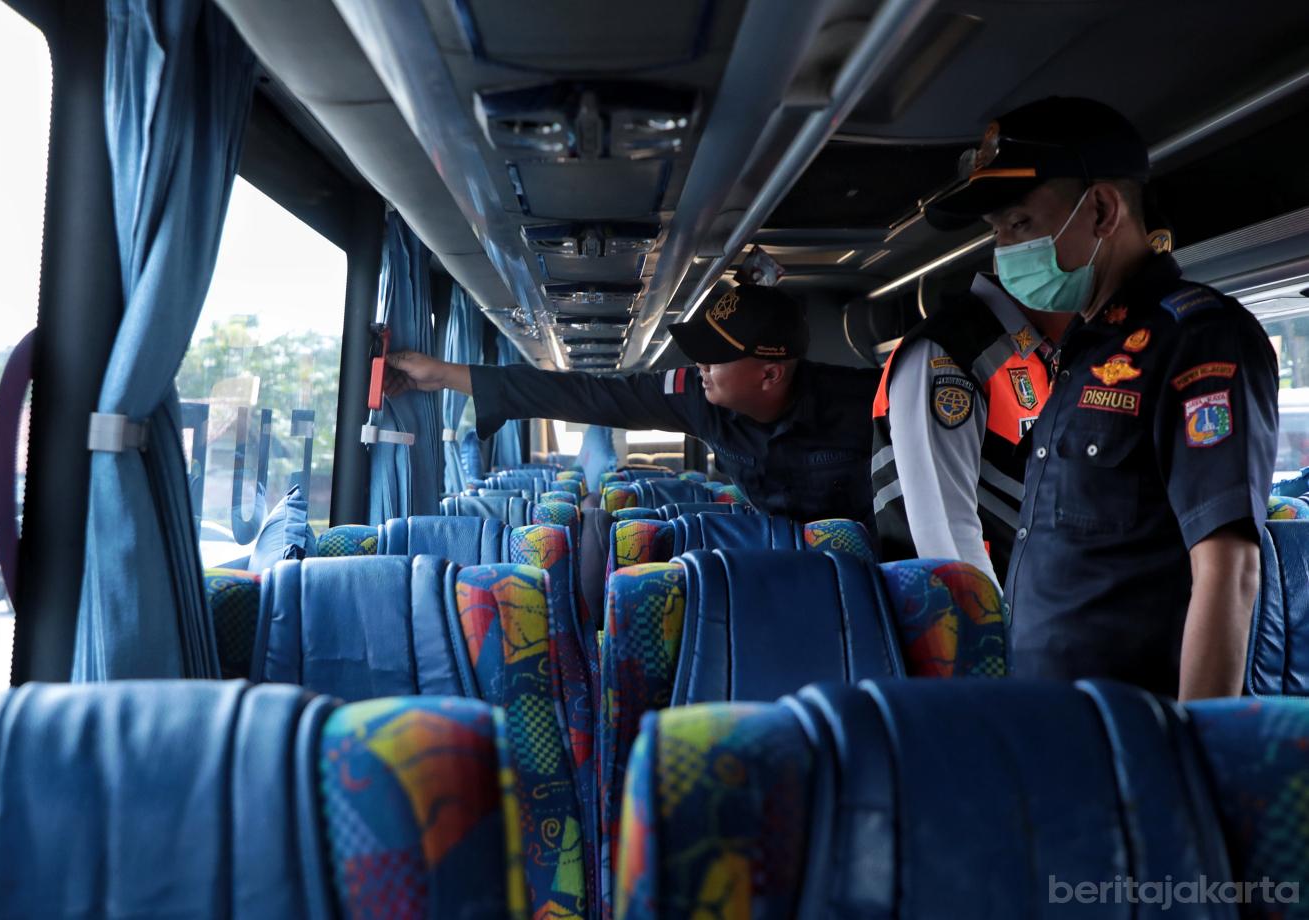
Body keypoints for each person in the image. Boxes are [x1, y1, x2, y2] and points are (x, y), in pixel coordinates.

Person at [926, 96, 1277, 700]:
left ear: (1102, 209)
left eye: (1021, 225)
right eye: (998, 233)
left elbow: (1228, 568)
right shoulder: (1082, 348)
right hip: (1051, 720)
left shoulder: (1196, 338)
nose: (1005, 251)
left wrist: (1193, 754)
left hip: (1137, 735)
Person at [384, 284, 881, 524]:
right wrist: (446, 375)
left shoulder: (871, 402)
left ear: (770, 373)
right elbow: (589, 396)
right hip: (773, 554)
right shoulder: (696, 395)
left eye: (714, 357)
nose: (698, 365)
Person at [872, 273, 1062, 589]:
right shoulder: (949, 352)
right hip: (974, 608)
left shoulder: (1044, 352)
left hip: (1040, 598)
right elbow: (945, 532)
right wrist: (992, 629)